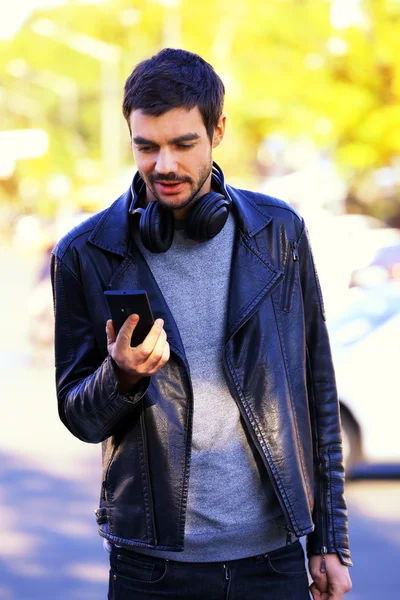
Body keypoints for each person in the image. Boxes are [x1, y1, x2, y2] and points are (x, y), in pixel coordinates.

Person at [51, 48, 353, 600]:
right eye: (147, 146)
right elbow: (78, 415)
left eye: (182, 144)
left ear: (217, 131)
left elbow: (317, 391)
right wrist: (119, 376)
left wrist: (329, 538)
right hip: (152, 567)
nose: (163, 165)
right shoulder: (85, 253)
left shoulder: (278, 234)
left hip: (275, 557)